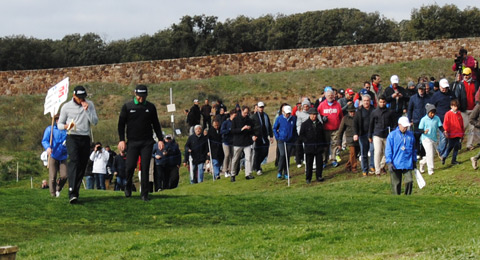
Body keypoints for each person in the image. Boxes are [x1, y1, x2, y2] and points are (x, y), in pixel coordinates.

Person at [118, 85, 164, 201]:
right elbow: (121, 125)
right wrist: (122, 140)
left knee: (145, 167)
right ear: (135, 94)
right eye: (139, 96)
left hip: (147, 142)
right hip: (132, 142)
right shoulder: (127, 107)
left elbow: (156, 125)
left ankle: (144, 193)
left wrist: (160, 139)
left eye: (143, 96)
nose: (141, 99)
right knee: (130, 166)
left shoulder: (151, 107)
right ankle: (127, 186)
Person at [58, 85, 98, 204]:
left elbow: (95, 122)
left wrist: (87, 110)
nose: (82, 100)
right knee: (74, 161)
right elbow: (60, 124)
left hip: (85, 137)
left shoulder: (89, 105)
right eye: (79, 97)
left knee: (82, 164)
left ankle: (76, 191)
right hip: (72, 136)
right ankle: (71, 191)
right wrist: (66, 126)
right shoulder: (66, 107)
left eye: (83, 97)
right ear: (74, 96)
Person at [385, 116, 417, 195]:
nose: (405, 128)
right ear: (399, 125)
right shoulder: (392, 135)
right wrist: (389, 162)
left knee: (409, 180)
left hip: (408, 163)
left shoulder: (411, 135)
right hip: (395, 163)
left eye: (406, 126)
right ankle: (396, 199)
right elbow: (388, 150)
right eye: (404, 126)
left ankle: (407, 197)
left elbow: (414, 149)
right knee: (396, 183)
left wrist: (414, 160)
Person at [41, 114, 68, 197]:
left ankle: (58, 189)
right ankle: (53, 195)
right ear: (56, 121)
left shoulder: (67, 130)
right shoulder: (50, 129)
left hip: (63, 155)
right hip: (53, 155)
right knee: (53, 177)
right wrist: (48, 148)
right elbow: (44, 140)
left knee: (65, 175)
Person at [317, 87, 343, 168]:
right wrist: (322, 118)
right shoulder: (322, 105)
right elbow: (317, 115)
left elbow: (341, 116)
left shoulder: (337, 105)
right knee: (325, 145)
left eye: (331, 95)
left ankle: (333, 159)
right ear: (325, 96)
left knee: (334, 145)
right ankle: (324, 161)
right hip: (325, 129)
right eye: (328, 95)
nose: (330, 97)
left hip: (335, 129)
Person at [299, 107, 326, 183]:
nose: (314, 116)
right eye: (312, 114)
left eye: (315, 114)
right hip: (309, 147)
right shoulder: (305, 124)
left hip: (318, 147)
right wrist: (306, 141)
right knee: (309, 164)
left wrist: (324, 145)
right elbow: (301, 135)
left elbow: (322, 135)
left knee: (319, 163)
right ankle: (308, 178)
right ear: (309, 115)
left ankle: (319, 176)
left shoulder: (319, 124)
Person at [368, 96, 393, 176]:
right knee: (377, 152)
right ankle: (377, 171)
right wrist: (369, 135)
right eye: (381, 102)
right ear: (378, 102)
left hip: (387, 135)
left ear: (386, 102)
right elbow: (371, 124)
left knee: (387, 152)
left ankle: (382, 166)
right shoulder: (374, 112)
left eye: (384, 102)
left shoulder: (389, 112)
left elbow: (393, 123)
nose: (382, 103)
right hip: (377, 134)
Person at [431, 79, 456, 157]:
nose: (445, 89)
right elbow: (431, 106)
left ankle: (442, 152)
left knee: (449, 137)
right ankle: (440, 151)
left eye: (446, 87)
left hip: (451, 118)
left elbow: (455, 103)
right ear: (440, 87)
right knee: (444, 136)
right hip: (440, 119)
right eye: (443, 88)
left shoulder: (451, 94)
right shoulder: (436, 96)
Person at [230, 105, 255, 182]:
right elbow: (232, 131)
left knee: (248, 158)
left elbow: (253, 129)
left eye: (247, 113)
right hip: (238, 142)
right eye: (245, 113)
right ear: (241, 111)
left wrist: (250, 130)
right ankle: (233, 174)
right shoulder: (235, 120)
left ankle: (248, 174)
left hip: (247, 142)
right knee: (235, 159)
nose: (246, 114)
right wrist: (241, 129)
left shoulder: (249, 120)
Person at [273, 105, 297, 180]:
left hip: (290, 140)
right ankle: (279, 172)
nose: (287, 115)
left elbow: (295, 130)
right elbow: (274, 128)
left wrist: (294, 138)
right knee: (282, 154)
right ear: (283, 112)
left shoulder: (293, 119)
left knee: (287, 156)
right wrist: (277, 136)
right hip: (281, 139)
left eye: (289, 113)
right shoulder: (279, 118)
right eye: (286, 113)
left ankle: (286, 172)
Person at [407, 83, 430, 159]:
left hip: (425, 121)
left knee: (425, 137)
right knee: (416, 137)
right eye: (420, 89)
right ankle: (417, 152)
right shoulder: (413, 98)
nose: (421, 91)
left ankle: (423, 153)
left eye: (422, 89)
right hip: (416, 120)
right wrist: (409, 120)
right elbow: (410, 110)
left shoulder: (428, 98)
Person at [418, 104, 443, 175]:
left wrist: (444, 131)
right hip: (425, 138)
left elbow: (440, 126)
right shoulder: (423, 119)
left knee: (431, 154)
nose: (432, 114)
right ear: (428, 112)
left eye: (434, 113)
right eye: (431, 113)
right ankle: (430, 169)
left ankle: (422, 162)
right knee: (430, 153)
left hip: (434, 138)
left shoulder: (437, 118)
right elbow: (419, 129)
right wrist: (423, 131)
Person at [354, 94, 375, 176]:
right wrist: (356, 133)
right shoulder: (359, 111)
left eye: (367, 100)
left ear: (370, 101)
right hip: (362, 134)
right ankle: (364, 170)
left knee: (373, 150)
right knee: (364, 153)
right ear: (362, 101)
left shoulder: (374, 109)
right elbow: (355, 123)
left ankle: (372, 166)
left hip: (372, 133)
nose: (366, 102)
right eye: (364, 101)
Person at [252, 101, 273, 175]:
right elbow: (251, 128)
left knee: (265, 152)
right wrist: (253, 136)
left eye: (262, 107)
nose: (261, 108)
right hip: (258, 138)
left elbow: (269, 126)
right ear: (257, 107)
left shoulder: (265, 116)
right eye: (260, 107)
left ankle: (256, 164)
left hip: (265, 137)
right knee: (257, 153)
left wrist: (271, 136)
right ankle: (257, 168)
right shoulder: (254, 117)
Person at [336, 104, 359, 173]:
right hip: (349, 138)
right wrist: (339, 142)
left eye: (353, 111)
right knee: (352, 153)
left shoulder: (357, 117)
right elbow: (340, 131)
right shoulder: (345, 119)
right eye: (351, 111)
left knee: (356, 153)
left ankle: (348, 165)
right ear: (348, 112)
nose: (352, 113)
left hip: (357, 137)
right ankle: (353, 167)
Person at [441, 99, 464, 165]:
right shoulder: (448, 114)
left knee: (456, 147)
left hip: (458, 133)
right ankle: (444, 156)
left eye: (457, 106)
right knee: (450, 146)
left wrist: (462, 133)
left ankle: (454, 160)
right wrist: (446, 131)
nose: (456, 108)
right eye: (454, 106)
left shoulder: (459, 114)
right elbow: (446, 123)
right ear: (451, 106)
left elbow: (461, 124)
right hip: (451, 134)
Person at [220, 109, 237, 178]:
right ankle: (225, 170)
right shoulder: (226, 123)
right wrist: (229, 130)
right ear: (231, 115)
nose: (235, 117)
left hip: (233, 141)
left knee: (232, 156)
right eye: (234, 115)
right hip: (226, 141)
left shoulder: (236, 123)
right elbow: (222, 131)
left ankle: (230, 170)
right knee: (227, 155)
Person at [295, 99, 311, 168]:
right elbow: (298, 125)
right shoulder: (300, 115)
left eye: (307, 106)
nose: (305, 107)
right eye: (304, 106)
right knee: (303, 147)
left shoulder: (311, 113)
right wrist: (300, 133)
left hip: (311, 134)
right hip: (303, 134)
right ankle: (304, 159)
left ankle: (308, 160)